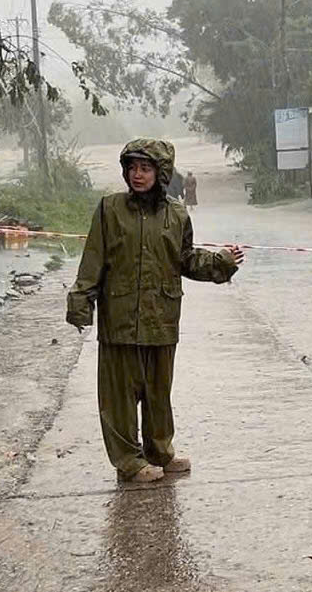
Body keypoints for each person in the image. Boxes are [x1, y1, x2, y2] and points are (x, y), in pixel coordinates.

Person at [66, 139, 243, 483]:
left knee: (158, 392)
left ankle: (160, 451)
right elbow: (93, 260)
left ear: (160, 173)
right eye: (132, 168)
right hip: (120, 316)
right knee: (119, 395)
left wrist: (221, 261)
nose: (137, 175)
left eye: (145, 168)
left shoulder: (177, 214)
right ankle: (129, 462)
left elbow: (186, 259)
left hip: (162, 315)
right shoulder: (110, 209)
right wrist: (81, 301)